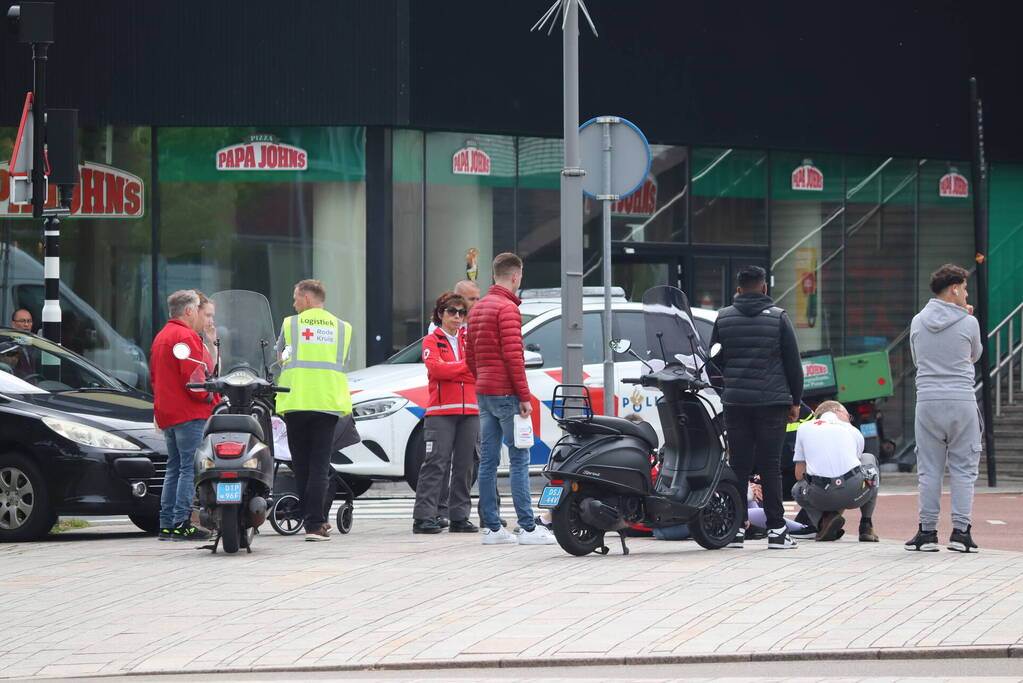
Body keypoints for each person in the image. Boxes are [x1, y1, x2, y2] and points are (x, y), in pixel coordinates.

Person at [710, 264, 803, 550]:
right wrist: (795, 401)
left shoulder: (723, 318)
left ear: (738, 289)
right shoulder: (778, 318)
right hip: (772, 403)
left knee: (738, 465)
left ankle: (736, 528)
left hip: (736, 403)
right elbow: (793, 364)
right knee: (770, 465)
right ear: (764, 287)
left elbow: (712, 362)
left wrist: (725, 391)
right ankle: (777, 530)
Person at [466, 252, 555, 545]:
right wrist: (523, 396)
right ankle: (527, 528)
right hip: (506, 392)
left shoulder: (477, 308)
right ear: (515, 276)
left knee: (488, 461)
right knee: (519, 459)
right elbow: (514, 356)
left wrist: (482, 379)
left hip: (484, 392)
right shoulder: (507, 309)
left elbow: (469, 355)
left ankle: (493, 528)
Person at [905, 264, 983, 553]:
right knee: (964, 468)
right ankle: (961, 532)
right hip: (961, 400)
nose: (966, 294)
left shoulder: (917, 321)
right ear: (954, 288)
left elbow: (917, 359)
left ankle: (927, 532)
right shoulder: (969, 322)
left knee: (929, 470)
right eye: (965, 288)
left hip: (927, 400)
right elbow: (975, 354)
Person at [275, 279, 353, 542]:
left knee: (301, 465)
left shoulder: (291, 325)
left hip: (296, 401)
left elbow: (281, 359)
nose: (294, 303)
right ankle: (315, 523)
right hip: (327, 403)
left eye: (296, 298)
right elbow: (342, 360)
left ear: (307, 299)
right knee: (319, 465)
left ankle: (311, 520)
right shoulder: (342, 327)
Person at [412, 292, 480, 534]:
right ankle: (423, 518)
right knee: (435, 464)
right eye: (452, 311)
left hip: (470, 409)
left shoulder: (469, 339)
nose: (457, 316)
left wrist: (453, 369)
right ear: (440, 314)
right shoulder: (431, 340)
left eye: (462, 312)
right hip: (440, 411)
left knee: (466, 465)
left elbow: (477, 369)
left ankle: (459, 517)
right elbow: (436, 370)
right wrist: (463, 368)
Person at [150, 290, 214, 542]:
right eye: (198, 309)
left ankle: (166, 524)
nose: (199, 314)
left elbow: (156, 376)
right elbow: (195, 379)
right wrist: (210, 396)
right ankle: (181, 522)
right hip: (189, 411)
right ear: (188, 311)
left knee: (174, 468)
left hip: (168, 412)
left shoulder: (162, 336)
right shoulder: (186, 336)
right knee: (189, 468)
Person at [791, 400, 880, 542]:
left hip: (819, 496)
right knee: (869, 459)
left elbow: (798, 475)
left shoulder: (804, 427)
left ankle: (823, 522)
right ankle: (866, 525)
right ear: (836, 411)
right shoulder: (853, 431)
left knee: (797, 489)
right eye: (848, 415)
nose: (849, 419)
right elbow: (856, 467)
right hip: (854, 493)